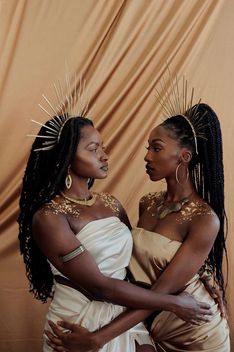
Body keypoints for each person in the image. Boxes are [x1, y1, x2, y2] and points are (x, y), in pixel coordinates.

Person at [18, 90, 212, 352]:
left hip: (123, 317)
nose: (104, 155)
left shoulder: (111, 203)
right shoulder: (49, 217)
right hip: (77, 324)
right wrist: (175, 303)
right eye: (93, 148)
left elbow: (137, 263)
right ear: (66, 159)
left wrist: (202, 275)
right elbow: (100, 287)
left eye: (103, 147)